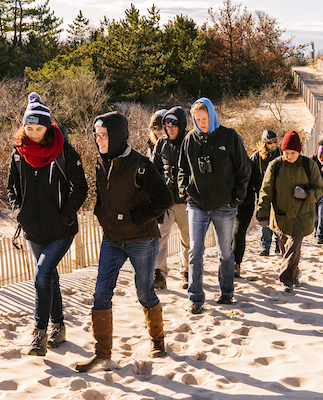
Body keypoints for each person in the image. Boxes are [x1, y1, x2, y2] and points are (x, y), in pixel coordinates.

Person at [76, 111, 173, 373]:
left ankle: (158, 341)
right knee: (100, 293)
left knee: (144, 293)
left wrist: (134, 218)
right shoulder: (100, 162)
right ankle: (102, 354)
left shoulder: (141, 165)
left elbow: (164, 199)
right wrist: (101, 214)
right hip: (112, 239)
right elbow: (102, 197)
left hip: (141, 238)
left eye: (104, 135)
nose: (99, 141)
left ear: (117, 135)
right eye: (97, 136)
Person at [7, 92, 88, 356]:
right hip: (33, 230)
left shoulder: (63, 151)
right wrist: (19, 212)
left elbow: (80, 188)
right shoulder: (19, 153)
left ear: (48, 127)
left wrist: (65, 216)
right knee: (49, 277)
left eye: (38, 128)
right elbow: (12, 188)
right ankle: (59, 326)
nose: (33, 133)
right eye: (28, 128)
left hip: (61, 230)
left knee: (42, 275)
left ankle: (39, 334)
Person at [178, 98, 250, 313]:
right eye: (197, 119)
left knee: (225, 252)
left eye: (204, 118)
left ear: (212, 115)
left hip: (224, 206)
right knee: (195, 250)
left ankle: (226, 292)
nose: (201, 123)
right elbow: (181, 169)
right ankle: (195, 298)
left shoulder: (229, 137)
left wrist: (236, 198)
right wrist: (185, 192)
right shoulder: (189, 140)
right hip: (197, 204)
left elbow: (243, 169)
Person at [257, 131, 323, 293]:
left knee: (294, 246)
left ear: (299, 151)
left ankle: (286, 279)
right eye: (286, 153)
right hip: (281, 216)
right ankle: (294, 274)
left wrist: (307, 195)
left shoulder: (309, 166)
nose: (289, 156)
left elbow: (320, 188)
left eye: (292, 153)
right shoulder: (276, 166)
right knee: (284, 248)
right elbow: (266, 191)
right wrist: (263, 214)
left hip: (302, 215)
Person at [151, 107, 191, 290]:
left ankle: (187, 272)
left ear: (181, 124)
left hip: (186, 200)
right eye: (167, 125)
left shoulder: (191, 141)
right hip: (166, 201)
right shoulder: (161, 144)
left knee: (188, 239)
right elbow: (155, 170)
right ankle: (159, 273)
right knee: (159, 236)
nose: (170, 128)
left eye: (174, 125)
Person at [232, 130, 280, 279]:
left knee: (277, 219)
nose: (272, 145)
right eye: (269, 142)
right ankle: (265, 247)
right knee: (264, 220)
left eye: (274, 142)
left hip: (275, 192)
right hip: (257, 194)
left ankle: (278, 245)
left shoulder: (280, 154)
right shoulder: (256, 158)